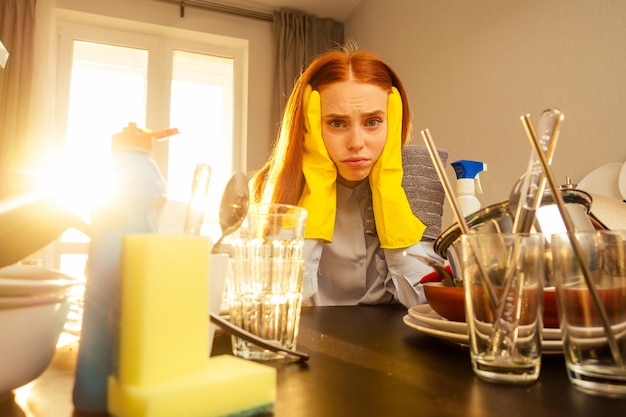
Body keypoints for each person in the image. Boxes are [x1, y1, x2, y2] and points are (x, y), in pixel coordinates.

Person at [250, 46, 443, 307]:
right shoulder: (270, 188)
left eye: (373, 121)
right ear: (308, 125)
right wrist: (316, 194)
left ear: (394, 122)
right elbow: (271, 300)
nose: (356, 143)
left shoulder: (419, 180)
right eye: (336, 123)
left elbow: (427, 302)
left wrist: (390, 195)